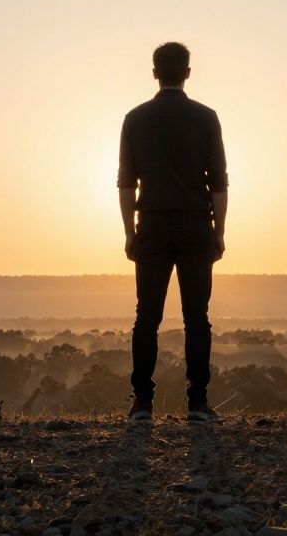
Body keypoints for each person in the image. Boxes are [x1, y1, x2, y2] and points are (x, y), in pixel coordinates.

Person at [117, 41, 228, 423]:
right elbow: (218, 182)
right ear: (188, 72)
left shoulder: (135, 118)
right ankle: (197, 402)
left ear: (154, 72)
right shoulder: (206, 117)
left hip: (152, 224)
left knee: (147, 317)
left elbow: (126, 183)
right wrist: (220, 231)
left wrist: (129, 232)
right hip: (196, 224)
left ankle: (142, 403)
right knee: (197, 316)